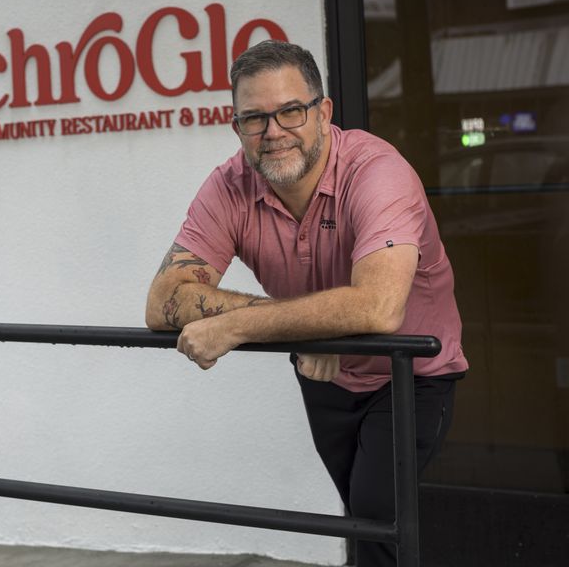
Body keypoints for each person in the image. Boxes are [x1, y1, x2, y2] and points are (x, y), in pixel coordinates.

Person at [144, 40, 468, 566]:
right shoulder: (229, 186)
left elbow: (380, 307)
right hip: (323, 372)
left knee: (375, 517)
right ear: (236, 127)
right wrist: (302, 333)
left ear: (323, 112)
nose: (273, 132)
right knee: (363, 522)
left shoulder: (377, 172)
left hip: (410, 373)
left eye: (291, 111)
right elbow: (162, 302)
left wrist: (238, 327)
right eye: (254, 118)